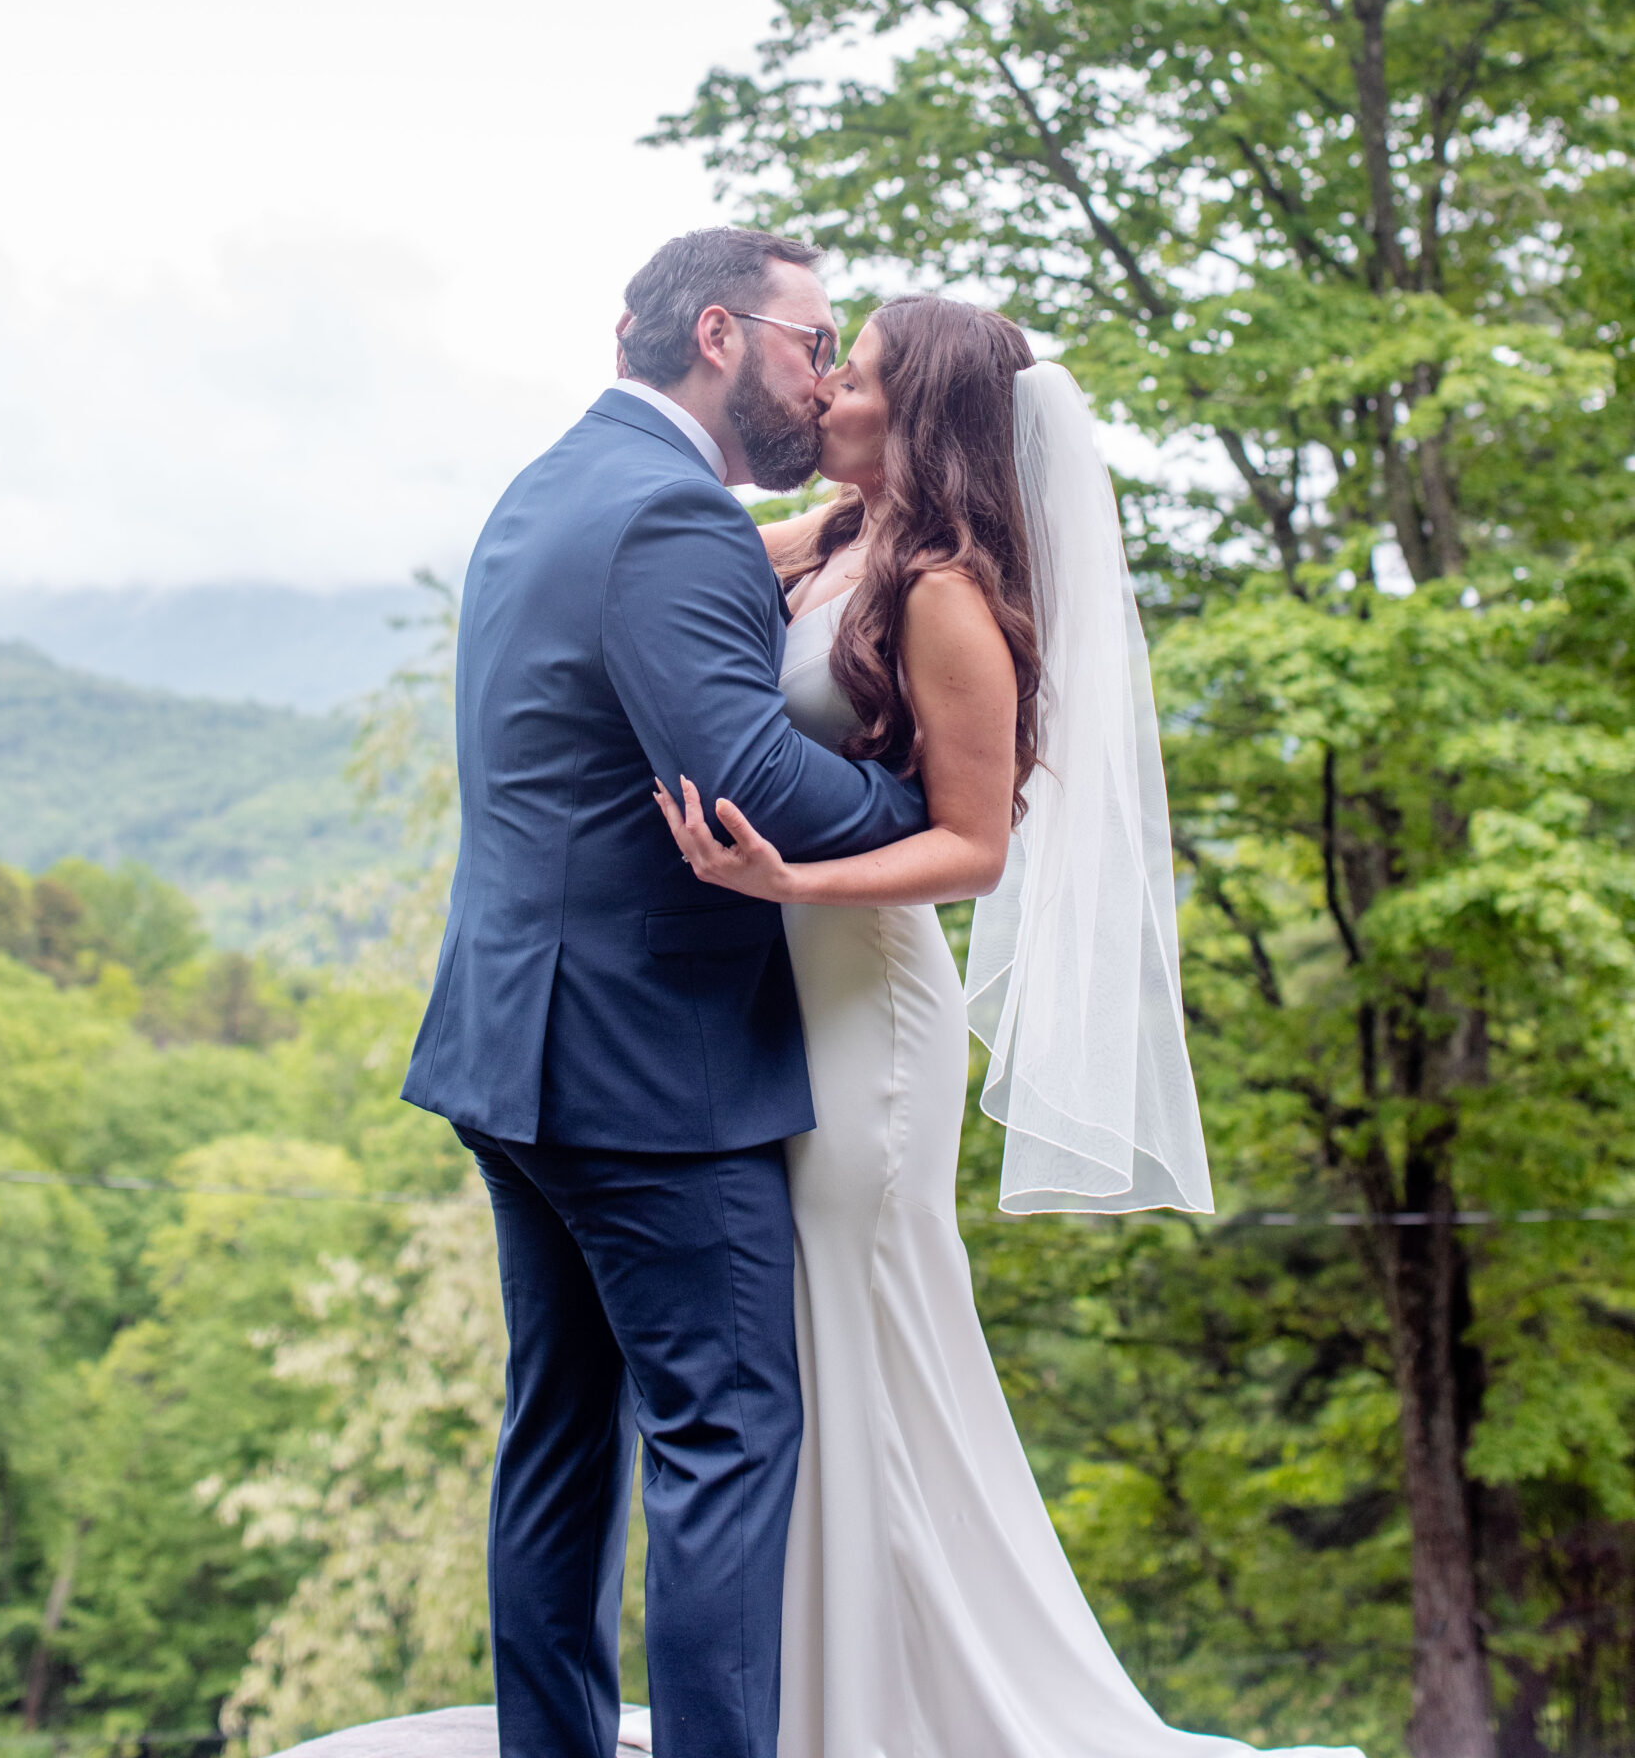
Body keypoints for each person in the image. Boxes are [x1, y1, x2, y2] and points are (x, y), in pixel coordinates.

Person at [657, 294, 1360, 1758]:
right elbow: (688, 549)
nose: (826, 395)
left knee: (867, 1322)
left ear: (914, 419)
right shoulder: (843, 543)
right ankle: (826, 1691)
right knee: (811, 1329)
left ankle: (913, 1711)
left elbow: (975, 843)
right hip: (786, 985)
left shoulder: (944, 595)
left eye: (852, 380)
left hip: (866, 1001)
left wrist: (795, 875)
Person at [400, 229, 929, 1758]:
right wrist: (941, 824)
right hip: (648, 1072)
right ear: (719, 334)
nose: (824, 376)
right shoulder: (672, 516)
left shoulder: (553, 484)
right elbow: (747, 778)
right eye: (811, 343)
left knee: (560, 1440)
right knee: (727, 1433)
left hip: (515, 1048)